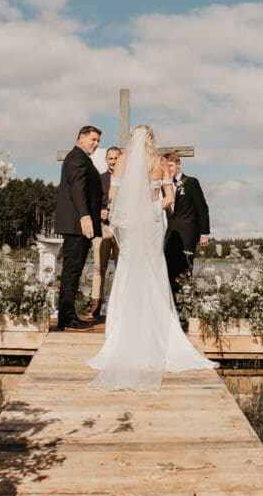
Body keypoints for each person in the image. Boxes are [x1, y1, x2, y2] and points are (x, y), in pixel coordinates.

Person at [86, 125, 217, 391]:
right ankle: (158, 334)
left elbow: (112, 197)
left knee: (128, 274)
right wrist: (150, 207)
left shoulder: (122, 161)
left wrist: (133, 209)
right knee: (153, 273)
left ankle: (124, 337)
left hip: (134, 226)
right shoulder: (159, 162)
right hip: (153, 224)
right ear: (152, 140)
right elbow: (169, 198)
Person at [53, 125, 102, 331]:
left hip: (79, 223)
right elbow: (77, 188)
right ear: (81, 137)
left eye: (98, 141)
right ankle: (67, 317)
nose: (95, 144)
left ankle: (67, 315)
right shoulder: (77, 158)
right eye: (92, 140)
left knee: (73, 270)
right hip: (77, 224)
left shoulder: (81, 158)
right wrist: (84, 215)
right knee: (72, 271)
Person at [163, 153, 211, 309]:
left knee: (185, 269)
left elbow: (202, 208)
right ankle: (172, 305)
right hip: (169, 234)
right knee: (168, 269)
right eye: (166, 166)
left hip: (187, 234)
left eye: (170, 165)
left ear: (178, 164)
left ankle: (186, 305)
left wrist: (204, 233)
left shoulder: (190, 182)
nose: (168, 169)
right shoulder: (163, 185)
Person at [83, 146, 121, 323]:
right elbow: (90, 203)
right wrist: (99, 212)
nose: (113, 162)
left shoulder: (128, 181)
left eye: (116, 158)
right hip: (103, 227)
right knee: (99, 267)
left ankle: (121, 306)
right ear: (106, 160)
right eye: (110, 158)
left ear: (121, 160)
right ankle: (95, 304)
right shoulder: (99, 179)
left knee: (122, 269)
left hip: (122, 229)